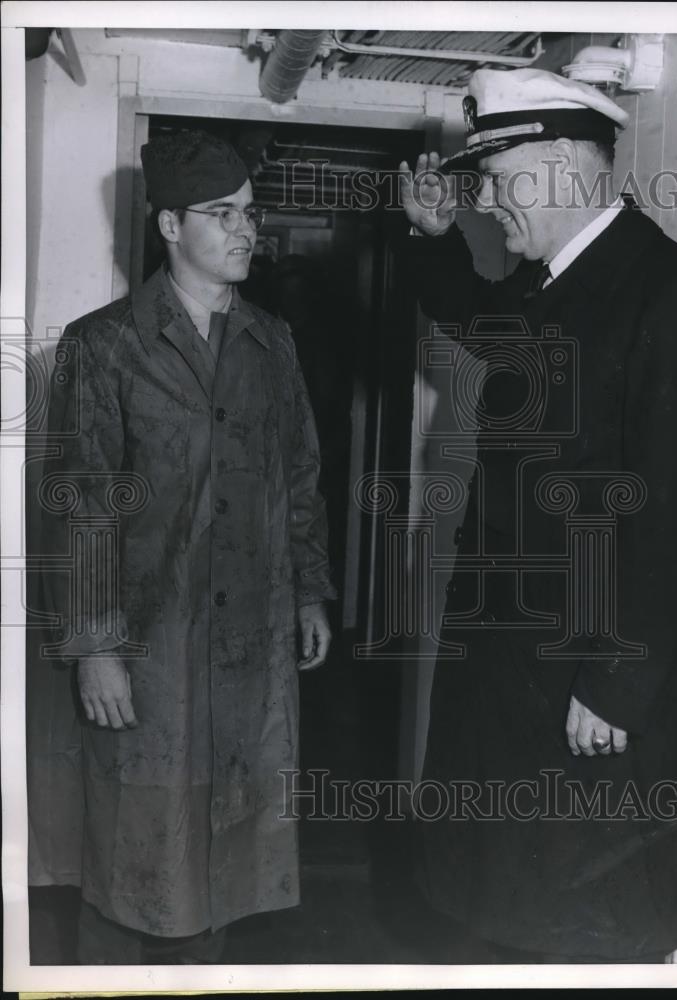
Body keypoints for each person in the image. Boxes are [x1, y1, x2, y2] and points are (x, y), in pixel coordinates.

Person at [397, 69, 677, 962]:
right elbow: (477, 318)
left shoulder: (670, 298)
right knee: (509, 908)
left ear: (559, 167)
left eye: (497, 183)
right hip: (518, 673)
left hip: (592, 688)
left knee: (584, 924)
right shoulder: (550, 284)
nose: (488, 205)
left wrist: (613, 682)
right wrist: (430, 240)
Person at [34, 130, 335, 963]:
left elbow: (299, 473)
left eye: (250, 212)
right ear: (169, 225)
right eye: (221, 213)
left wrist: (308, 589)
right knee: (132, 856)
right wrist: (96, 648)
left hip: (249, 647)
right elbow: (81, 504)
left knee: (228, 851)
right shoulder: (103, 345)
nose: (246, 230)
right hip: (152, 644)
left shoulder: (272, 341)